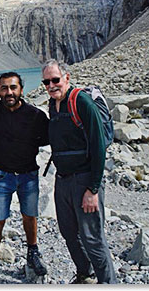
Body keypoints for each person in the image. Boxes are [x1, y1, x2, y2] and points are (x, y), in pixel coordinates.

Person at [41, 59, 117, 284]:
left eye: (55, 80)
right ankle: (85, 273)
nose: (51, 85)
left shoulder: (81, 102)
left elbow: (98, 146)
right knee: (68, 233)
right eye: (46, 82)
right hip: (62, 180)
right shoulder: (52, 105)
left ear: (67, 78)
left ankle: (108, 282)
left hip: (84, 181)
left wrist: (93, 189)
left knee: (92, 238)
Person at [0, 71, 49, 284]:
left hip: (28, 175)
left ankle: (32, 252)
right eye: (4, 88)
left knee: (30, 215)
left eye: (13, 87)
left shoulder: (36, 116)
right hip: (1, 175)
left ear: (21, 90)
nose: (9, 92)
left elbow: (51, 137)